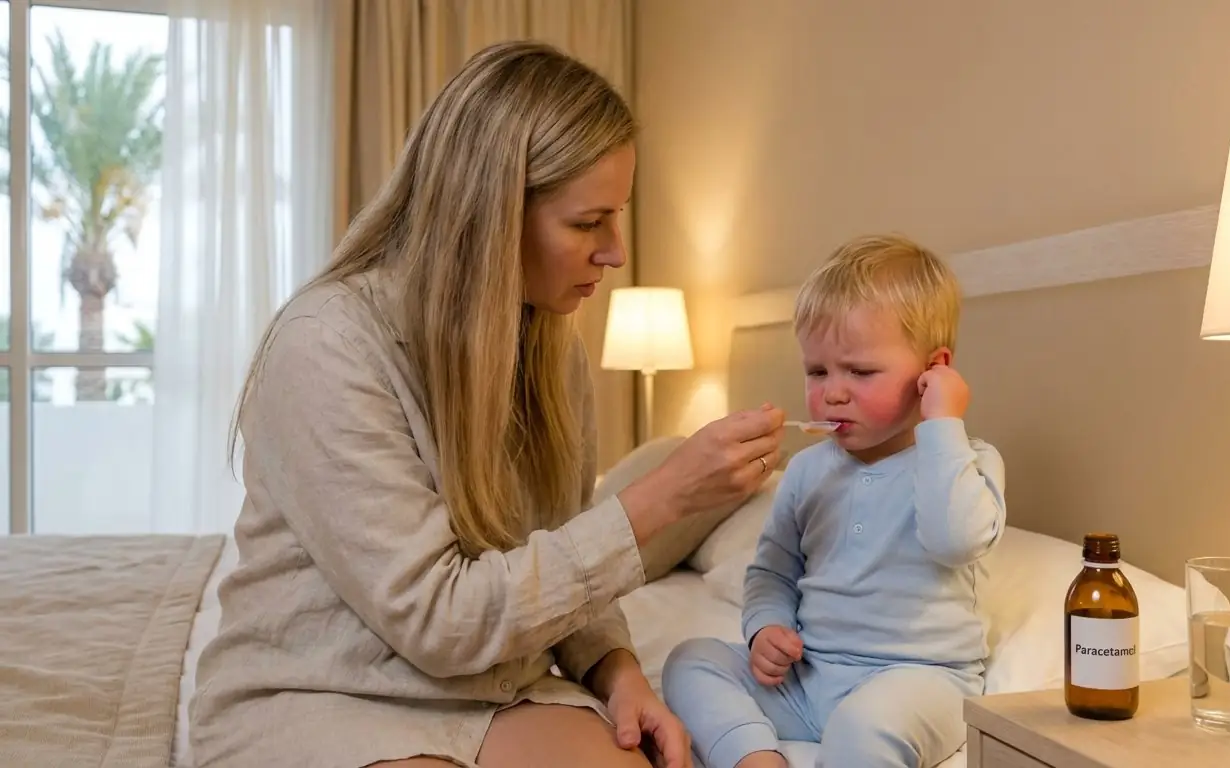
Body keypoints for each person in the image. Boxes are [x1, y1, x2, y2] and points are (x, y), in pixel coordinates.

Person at [188, 41, 784, 768]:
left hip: (488, 684)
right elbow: (439, 619)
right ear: (493, 213)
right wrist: (662, 498)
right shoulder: (328, 346)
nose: (616, 252)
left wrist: (617, 670)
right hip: (326, 688)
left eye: (617, 216)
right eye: (588, 222)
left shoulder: (549, 349)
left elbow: (556, 559)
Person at [661, 234, 1008, 768]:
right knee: (690, 660)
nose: (832, 392)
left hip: (917, 681)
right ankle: (754, 759)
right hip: (807, 681)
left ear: (932, 373)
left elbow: (954, 538)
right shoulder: (805, 470)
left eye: (860, 372)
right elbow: (772, 572)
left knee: (864, 727)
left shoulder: (966, 459)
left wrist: (943, 422)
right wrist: (765, 628)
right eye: (817, 371)